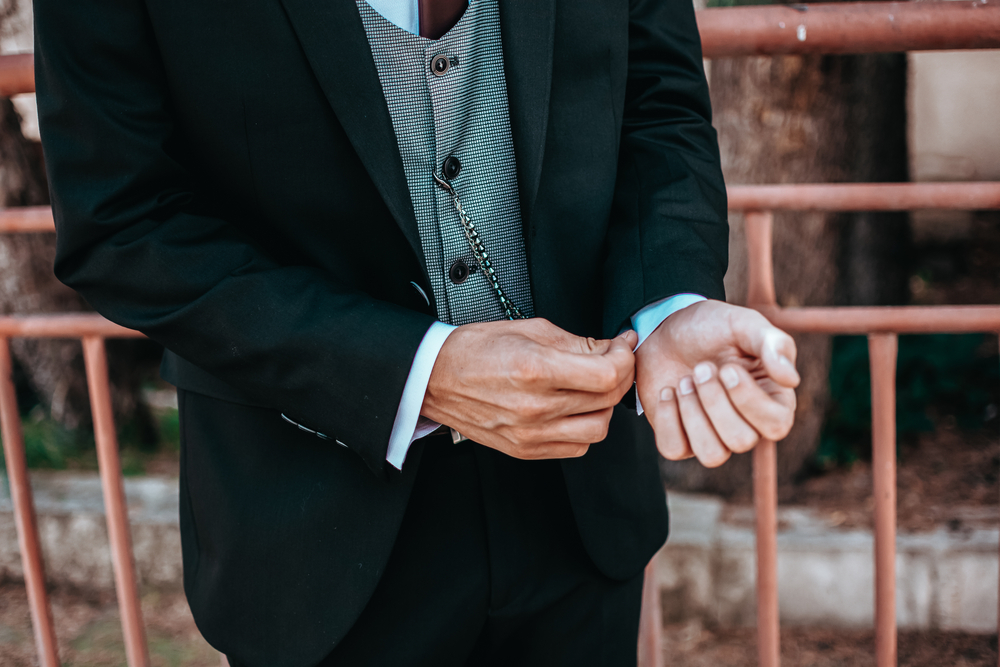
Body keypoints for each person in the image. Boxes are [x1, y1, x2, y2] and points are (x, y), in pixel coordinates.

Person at [34, 0, 799, 664]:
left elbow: (657, 100)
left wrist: (668, 304)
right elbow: (122, 221)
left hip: (581, 514)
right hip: (311, 539)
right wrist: (414, 371)